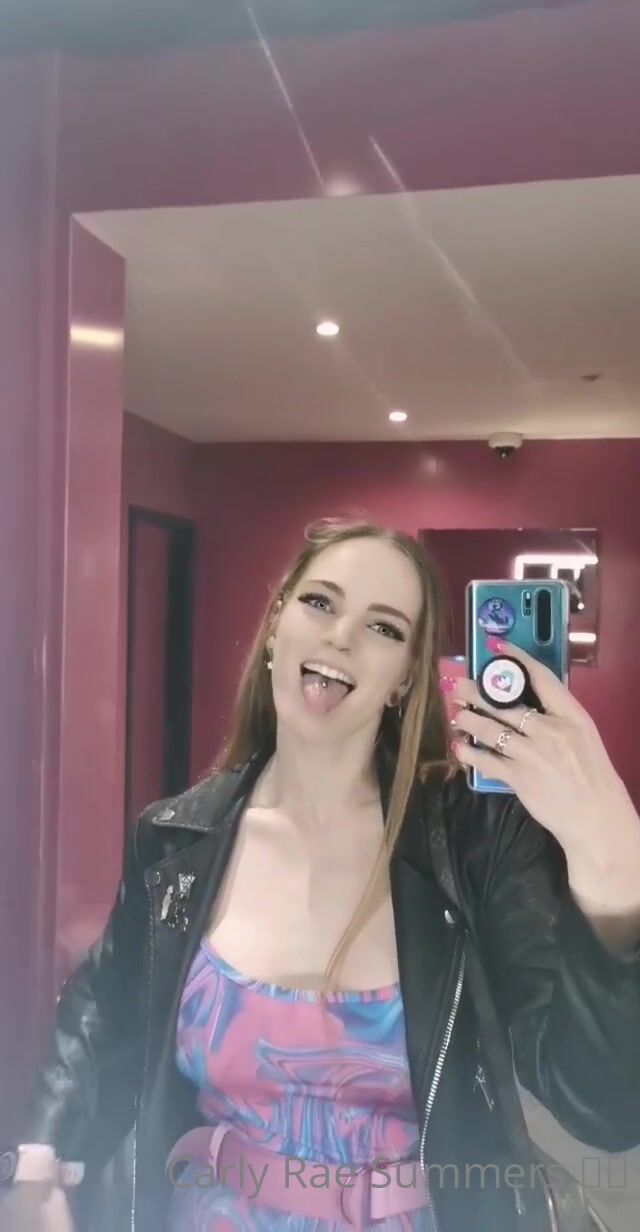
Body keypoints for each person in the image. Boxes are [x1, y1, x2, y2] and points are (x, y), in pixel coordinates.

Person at [2, 518, 640, 1232]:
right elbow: (103, 1013)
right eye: (320, 603)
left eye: (384, 628)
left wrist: (613, 853)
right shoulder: (175, 841)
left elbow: (600, 1105)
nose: (340, 637)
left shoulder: (472, 842)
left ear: (405, 679)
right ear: (277, 625)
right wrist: (38, 1160)